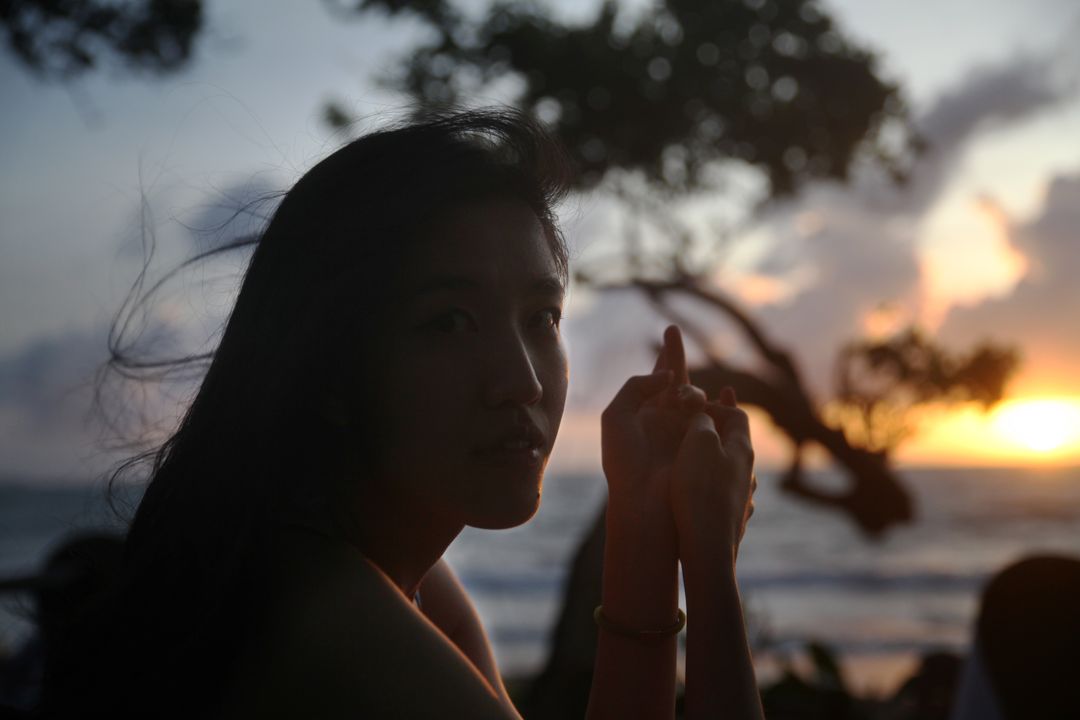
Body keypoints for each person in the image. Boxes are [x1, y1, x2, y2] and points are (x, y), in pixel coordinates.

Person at [39, 109, 761, 719]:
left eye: (542, 316)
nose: (520, 381)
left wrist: (642, 525)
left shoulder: (382, 572)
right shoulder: (334, 624)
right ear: (329, 366)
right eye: (448, 321)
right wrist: (707, 566)